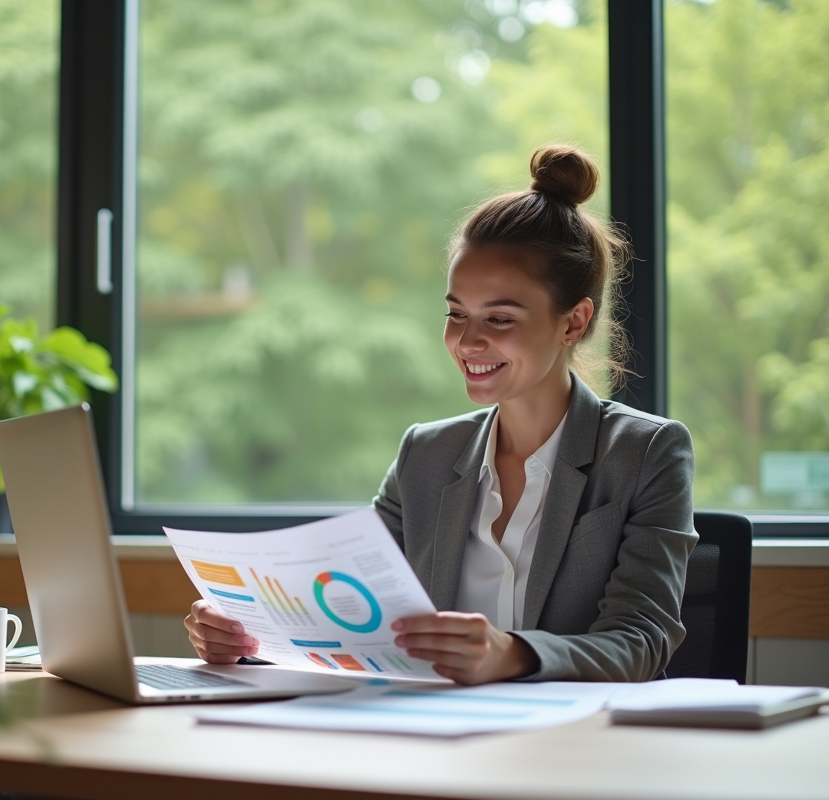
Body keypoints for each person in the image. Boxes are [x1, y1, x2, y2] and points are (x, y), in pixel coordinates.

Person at [185, 144, 697, 684]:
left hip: (578, 747)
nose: (467, 341)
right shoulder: (426, 455)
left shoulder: (646, 453)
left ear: (572, 323)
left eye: (499, 318)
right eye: (457, 314)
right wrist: (246, 635)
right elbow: (350, 615)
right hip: (436, 738)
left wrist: (513, 654)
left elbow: (640, 640)